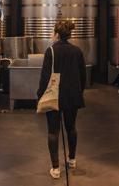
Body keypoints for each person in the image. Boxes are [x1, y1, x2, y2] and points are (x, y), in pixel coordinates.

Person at [37, 20, 87, 179]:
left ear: (57, 34)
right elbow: (83, 76)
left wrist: (40, 95)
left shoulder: (50, 51)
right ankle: (72, 159)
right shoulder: (77, 51)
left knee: (53, 131)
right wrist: (79, 91)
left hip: (55, 95)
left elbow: (45, 77)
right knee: (71, 127)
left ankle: (56, 168)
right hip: (72, 94)